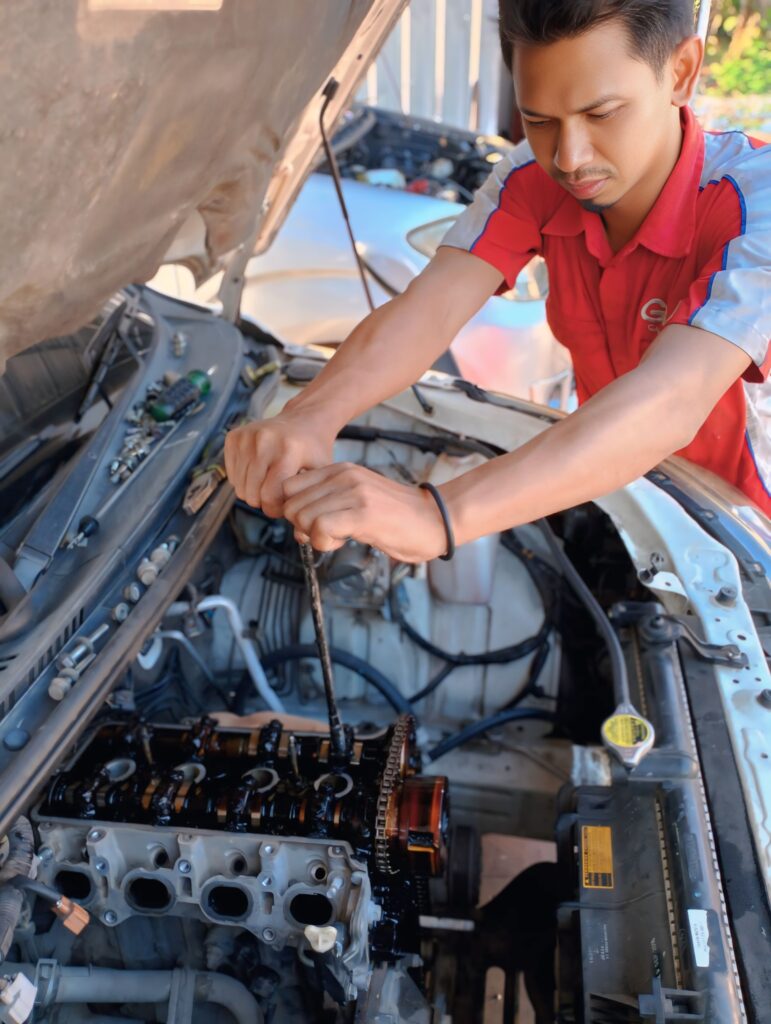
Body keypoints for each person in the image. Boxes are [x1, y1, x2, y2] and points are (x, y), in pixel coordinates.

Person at [225, 0, 771, 563]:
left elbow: (673, 398)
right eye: (538, 120)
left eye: (602, 113)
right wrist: (310, 417)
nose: (570, 156)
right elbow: (430, 308)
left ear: (681, 72)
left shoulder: (757, 203)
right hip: (628, 504)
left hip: (751, 539)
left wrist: (437, 515)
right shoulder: (534, 179)